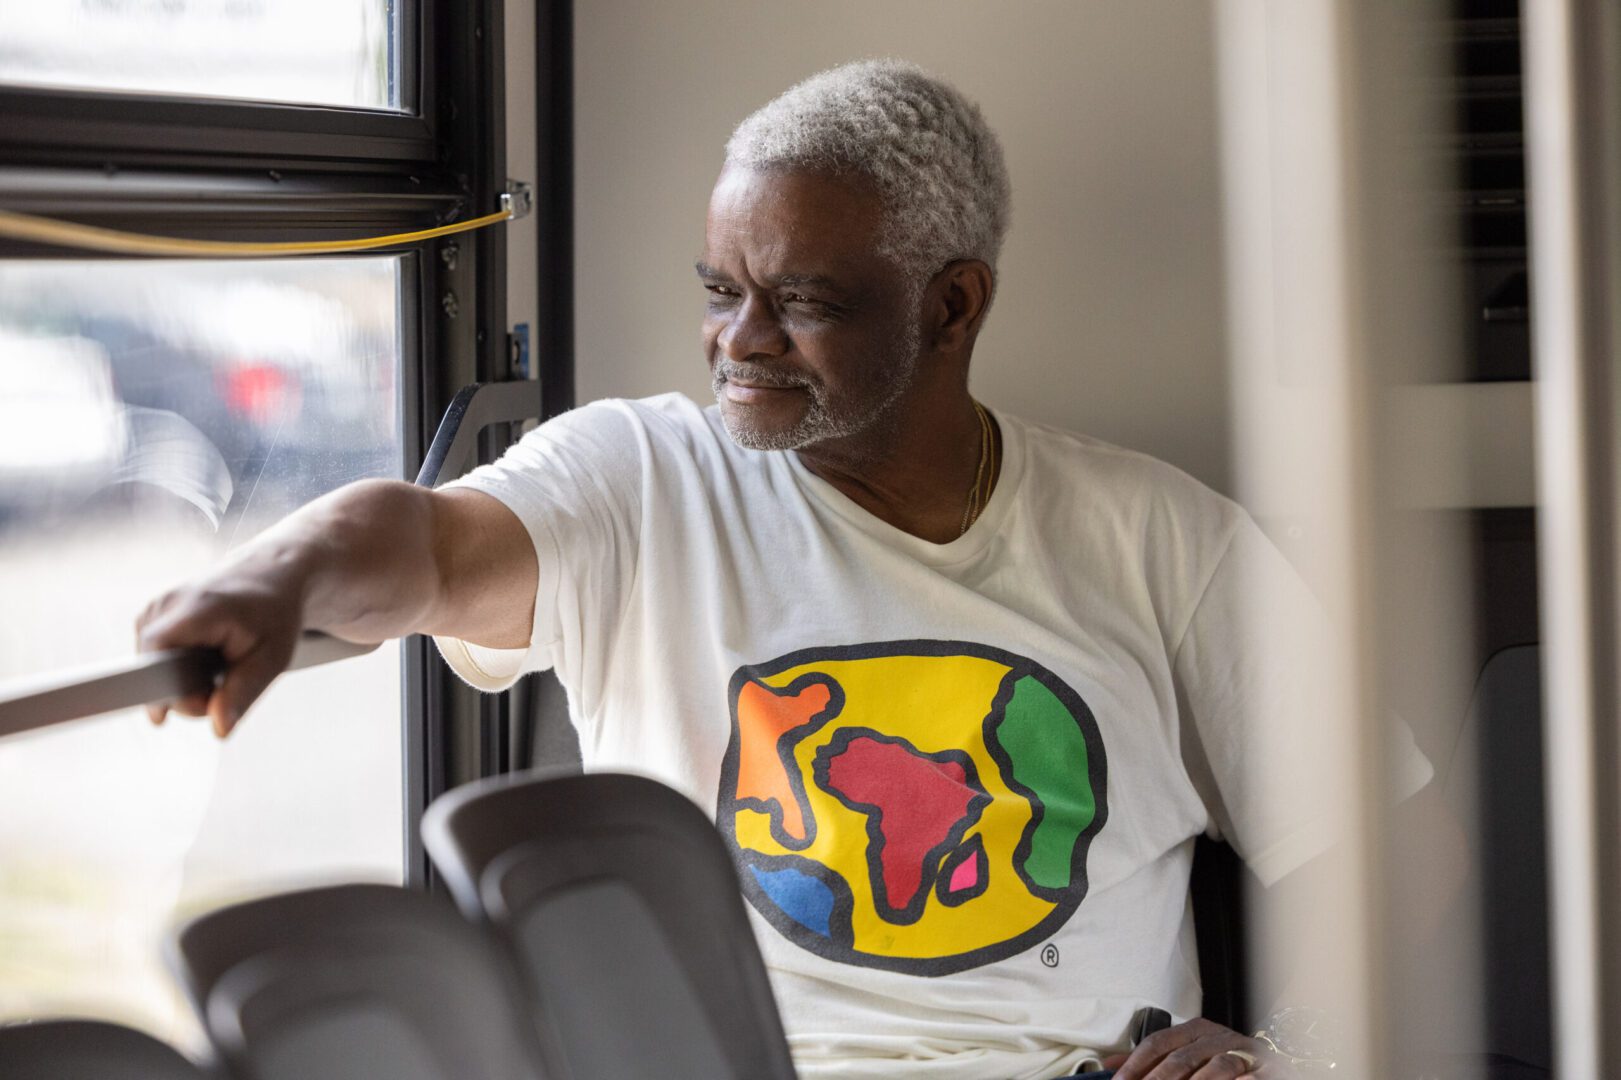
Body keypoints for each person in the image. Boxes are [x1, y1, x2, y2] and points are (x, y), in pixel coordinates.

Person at [138, 60, 1454, 1080]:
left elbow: (1402, 854)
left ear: (952, 306)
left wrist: (1288, 1047)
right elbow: (419, 544)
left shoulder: (1158, 536)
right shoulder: (639, 479)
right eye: (721, 289)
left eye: (803, 302)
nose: (739, 342)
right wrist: (276, 581)